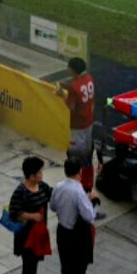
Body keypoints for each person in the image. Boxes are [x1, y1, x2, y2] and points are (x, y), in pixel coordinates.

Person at [50, 155, 98, 274]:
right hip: (76, 236)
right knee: (78, 271)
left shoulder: (59, 186)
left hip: (62, 231)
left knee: (66, 268)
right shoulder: (78, 191)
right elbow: (89, 216)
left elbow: (52, 206)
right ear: (80, 172)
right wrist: (92, 200)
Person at [8, 156, 53, 274]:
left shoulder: (42, 186)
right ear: (31, 175)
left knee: (34, 261)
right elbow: (14, 213)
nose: (42, 174)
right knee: (28, 263)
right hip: (26, 236)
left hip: (39, 234)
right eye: (39, 172)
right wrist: (32, 216)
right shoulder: (20, 192)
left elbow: (53, 195)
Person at [57, 57, 98, 193]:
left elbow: (72, 106)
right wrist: (66, 85)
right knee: (87, 155)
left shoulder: (75, 87)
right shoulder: (89, 78)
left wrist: (62, 94)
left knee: (76, 158)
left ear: (73, 69)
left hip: (78, 126)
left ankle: (80, 187)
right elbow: (79, 90)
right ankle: (88, 184)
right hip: (89, 122)